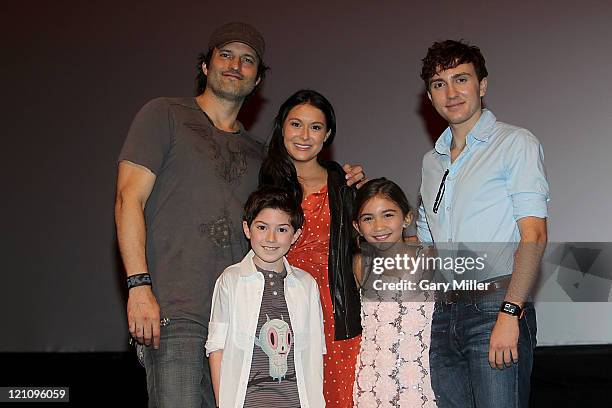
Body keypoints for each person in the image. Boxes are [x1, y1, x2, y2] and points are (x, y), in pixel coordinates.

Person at [115, 22, 268, 407]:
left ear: (257, 79)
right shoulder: (164, 114)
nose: (236, 65)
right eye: (226, 55)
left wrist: (345, 178)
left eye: (248, 60)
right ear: (206, 66)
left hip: (240, 321)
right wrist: (138, 287)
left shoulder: (259, 152)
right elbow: (127, 199)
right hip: (174, 311)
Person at [416, 40, 549, 407]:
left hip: (496, 306)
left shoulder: (514, 143)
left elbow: (534, 234)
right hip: (444, 316)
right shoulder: (431, 162)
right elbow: (426, 242)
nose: (451, 92)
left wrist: (511, 312)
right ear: (429, 96)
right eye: (439, 84)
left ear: (482, 86)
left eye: (461, 79)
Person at [259, 89, 363, 408]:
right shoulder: (264, 185)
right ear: (282, 128)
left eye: (315, 127)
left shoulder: (345, 185)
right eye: (296, 124)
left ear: (327, 134)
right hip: (282, 315)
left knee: (339, 399)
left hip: (336, 314)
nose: (305, 135)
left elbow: (364, 247)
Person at [205, 186, 326, 407]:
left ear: (295, 235)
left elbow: (315, 352)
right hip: (247, 401)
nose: (270, 238)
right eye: (262, 227)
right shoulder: (231, 280)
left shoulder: (306, 285)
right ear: (247, 229)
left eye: (281, 229)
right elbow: (216, 347)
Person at [352, 178, 437, 407]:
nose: (378, 226)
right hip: (374, 384)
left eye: (388, 215)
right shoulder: (360, 265)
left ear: (407, 218)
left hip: (423, 382)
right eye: (368, 218)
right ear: (357, 227)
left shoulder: (428, 257)